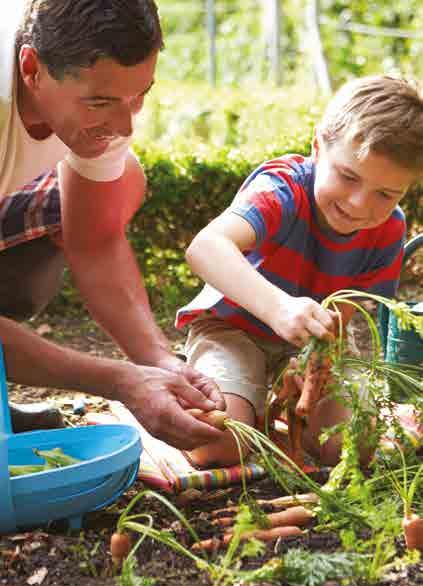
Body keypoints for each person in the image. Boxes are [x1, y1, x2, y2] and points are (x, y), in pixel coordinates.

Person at [0, 0, 225, 450]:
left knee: (123, 181)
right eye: (100, 102)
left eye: (139, 95)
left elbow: (97, 241)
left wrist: (158, 360)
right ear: (31, 68)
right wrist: (120, 381)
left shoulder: (99, 101)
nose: (125, 123)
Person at [176, 75, 423, 467]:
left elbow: (346, 315)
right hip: (235, 330)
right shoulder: (283, 189)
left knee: (347, 450)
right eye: (348, 176)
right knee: (216, 446)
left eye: (385, 194)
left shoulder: (389, 229)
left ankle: (268, 408)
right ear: (317, 148)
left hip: (307, 348)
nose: (360, 204)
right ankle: (238, 396)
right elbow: (205, 248)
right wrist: (277, 308)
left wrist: (313, 361)